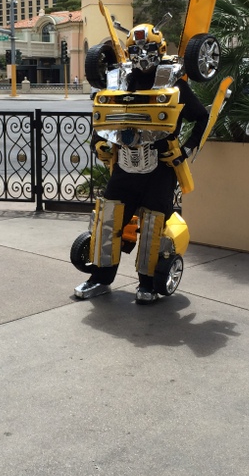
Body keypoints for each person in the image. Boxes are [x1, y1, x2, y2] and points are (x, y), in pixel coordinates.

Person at [74, 24, 209, 305]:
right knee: (108, 221)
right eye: (135, 49)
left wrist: (185, 150)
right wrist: (98, 143)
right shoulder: (119, 81)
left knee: (152, 226)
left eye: (148, 48)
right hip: (124, 166)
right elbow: (102, 116)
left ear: (161, 50)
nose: (142, 55)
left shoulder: (174, 83)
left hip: (159, 169)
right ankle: (100, 278)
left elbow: (201, 117)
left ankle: (148, 284)